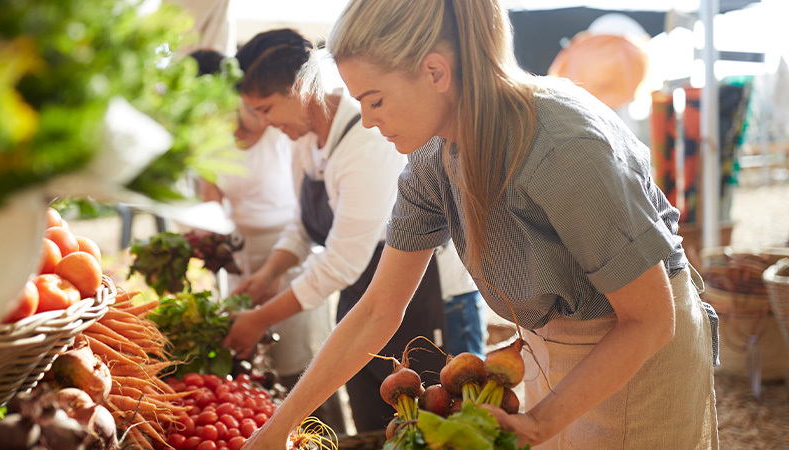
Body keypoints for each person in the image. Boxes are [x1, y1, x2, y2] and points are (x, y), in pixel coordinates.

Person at [242, 1, 720, 449]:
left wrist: (540, 421)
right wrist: (278, 428)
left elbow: (650, 320)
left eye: (376, 100)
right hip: (550, 354)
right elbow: (375, 313)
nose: (367, 121)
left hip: (643, 355)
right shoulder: (430, 163)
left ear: (435, 72)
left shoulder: (561, 147)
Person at [220, 28, 456, 434]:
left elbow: (342, 259)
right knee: (372, 420)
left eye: (266, 108)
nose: (265, 122)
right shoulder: (304, 139)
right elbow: (303, 224)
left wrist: (260, 318)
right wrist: (271, 273)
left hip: (421, 294)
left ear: (300, 89)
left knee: (429, 425)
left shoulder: (366, 139)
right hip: (361, 294)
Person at [188, 49, 345, 430]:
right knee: (258, 361)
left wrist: (276, 268)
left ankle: (329, 434)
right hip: (243, 256)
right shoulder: (209, 139)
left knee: (302, 362)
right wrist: (200, 240)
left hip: (289, 248)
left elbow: (321, 238)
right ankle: (277, 432)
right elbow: (212, 203)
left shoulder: (269, 120)